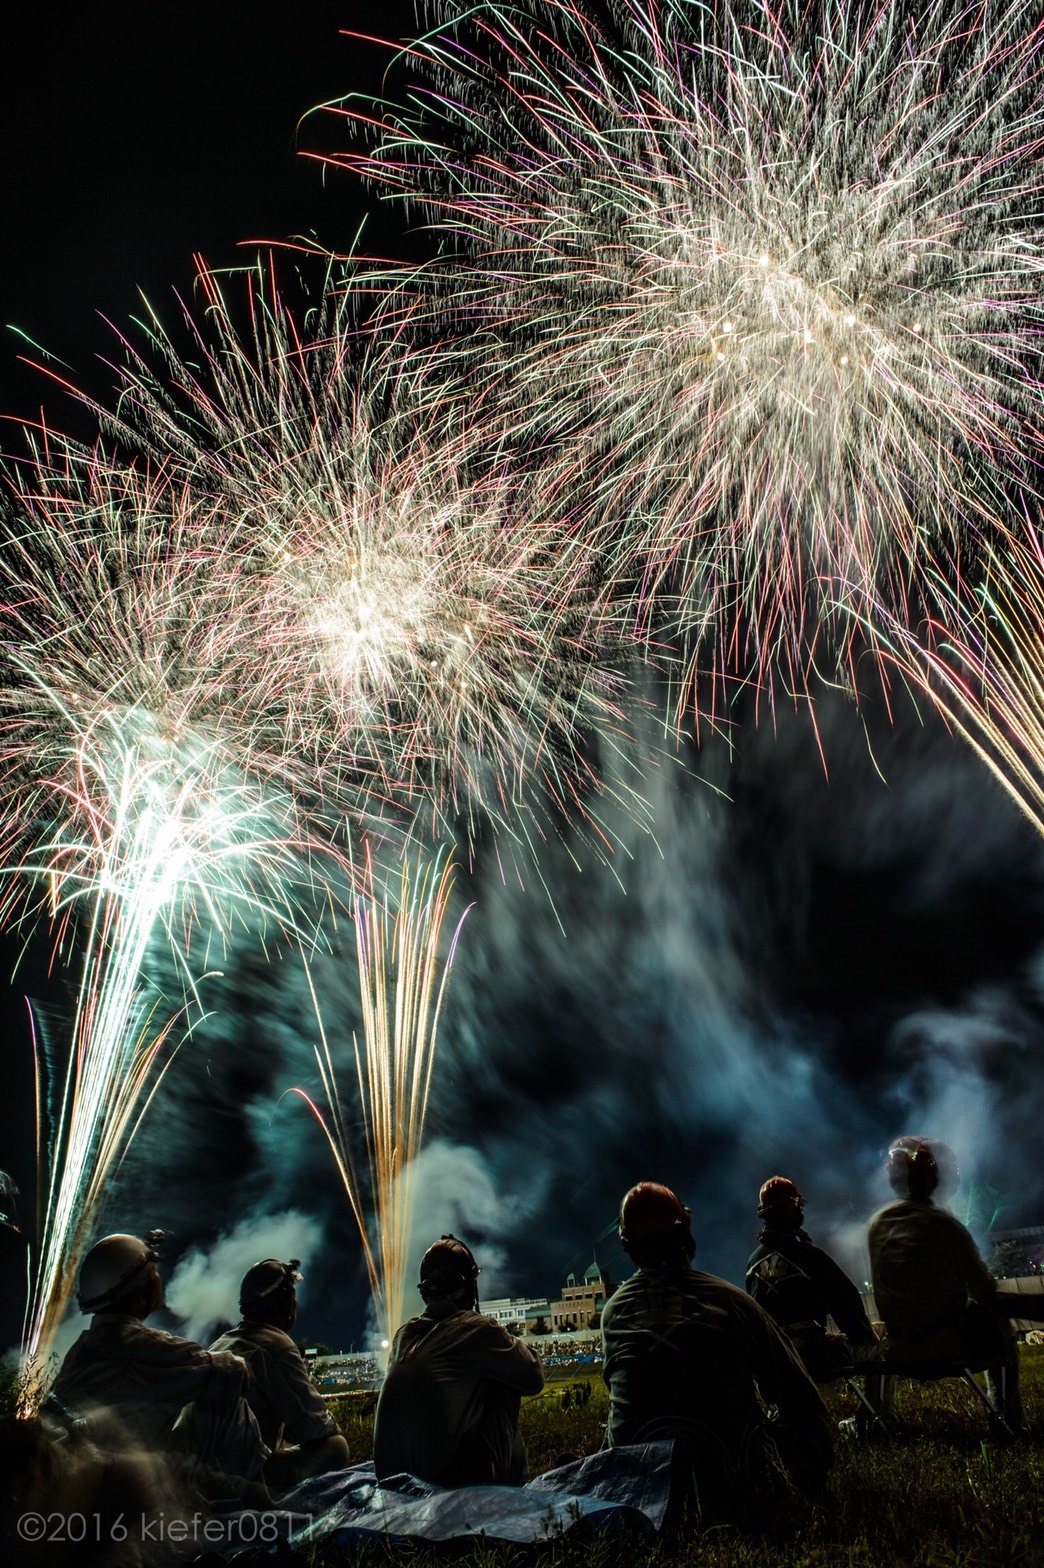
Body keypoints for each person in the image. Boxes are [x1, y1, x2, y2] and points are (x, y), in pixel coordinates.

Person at [600, 1182, 833, 1529]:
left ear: (626, 1245)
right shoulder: (731, 1302)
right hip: (733, 1487)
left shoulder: (613, 1312)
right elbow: (800, 1398)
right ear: (686, 1236)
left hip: (639, 1494)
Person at [47, 1232, 269, 1501]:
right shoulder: (149, 1347)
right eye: (152, 1271)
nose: (158, 1277)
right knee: (224, 1397)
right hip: (142, 1481)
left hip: (96, 1479)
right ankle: (261, 1497)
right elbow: (235, 1373)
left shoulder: (81, 1350)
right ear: (140, 1287)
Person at [868, 1136, 1027, 1434]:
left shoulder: (877, 1224)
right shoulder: (946, 1226)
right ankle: (1006, 1421)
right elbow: (984, 1292)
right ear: (936, 1179)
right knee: (1000, 1327)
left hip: (898, 1351)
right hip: (946, 1349)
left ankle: (879, 1419)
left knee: (880, 1338)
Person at [373, 1233, 544, 1486]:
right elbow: (533, 1377)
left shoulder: (403, 1335)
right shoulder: (477, 1329)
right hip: (443, 1485)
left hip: (390, 1483)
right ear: (470, 1287)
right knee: (503, 1378)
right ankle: (511, 1487)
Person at [210, 1256, 349, 1493]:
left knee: (284, 1441)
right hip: (241, 1477)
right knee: (336, 1446)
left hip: (209, 1471)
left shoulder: (221, 1344)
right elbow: (316, 1427)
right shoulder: (275, 1346)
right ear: (285, 1304)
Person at [746, 1176, 876, 1380]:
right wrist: (863, 1336)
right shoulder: (809, 1256)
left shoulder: (752, 1264)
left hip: (773, 1364)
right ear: (794, 1208)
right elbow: (846, 1302)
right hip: (813, 1359)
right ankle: (876, 1411)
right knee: (880, 1340)